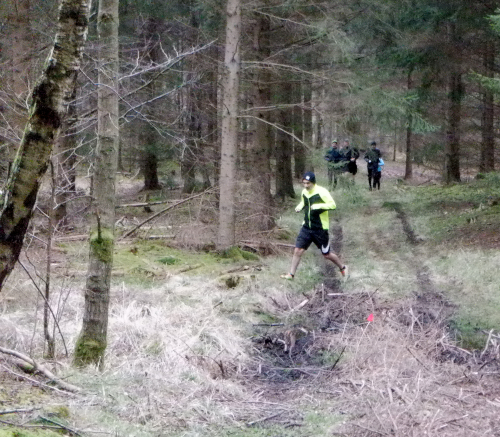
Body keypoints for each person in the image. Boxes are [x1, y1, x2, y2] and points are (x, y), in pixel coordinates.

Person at [281, 172, 347, 280]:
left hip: (320, 228)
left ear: (313, 183)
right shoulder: (304, 192)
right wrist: (299, 207)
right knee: (298, 250)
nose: (306, 186)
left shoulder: (322, 192)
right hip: (307, 227)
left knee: (327, 254)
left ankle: (342, 267)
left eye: (308, 183)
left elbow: (332, 205)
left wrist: (318, 206)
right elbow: (304, 202)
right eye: (304, 183)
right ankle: (291, 274)